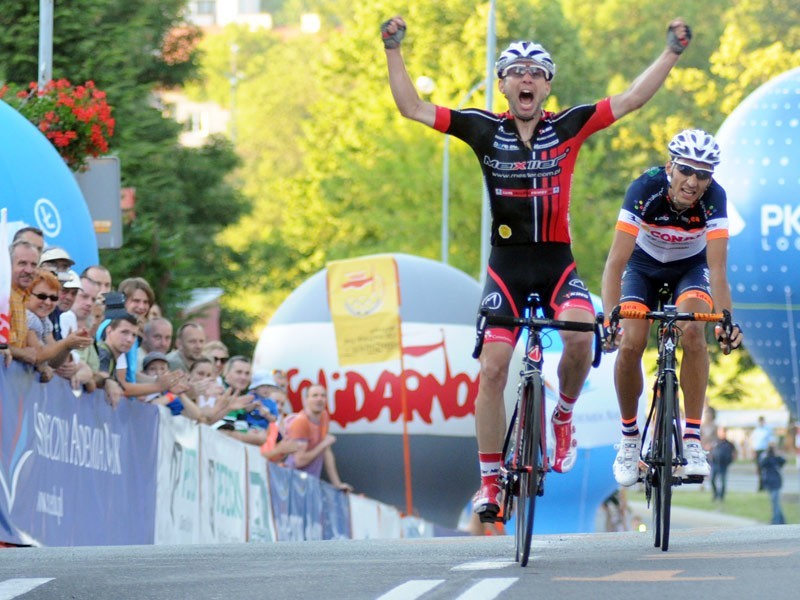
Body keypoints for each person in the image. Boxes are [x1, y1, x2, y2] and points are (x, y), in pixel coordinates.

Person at [381, 14, 695, 519]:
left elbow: (633, 97)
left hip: (556, 266)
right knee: (492, 370)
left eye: (536, 72)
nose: (526, 79)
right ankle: (489, 484)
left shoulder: (568, 125)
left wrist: (671, 53)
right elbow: (412, 107)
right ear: (502, 84)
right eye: (516, 71)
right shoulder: (483, 129)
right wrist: (393, 50)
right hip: (506, 269)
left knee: (577, 336)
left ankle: (563, 416)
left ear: (548, 86)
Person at [602, 129, 744, 487]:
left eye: (703, 174)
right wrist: (609, 315)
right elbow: (615, 263)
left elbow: (718, 272)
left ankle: (693, 439)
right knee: (632, 340)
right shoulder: (644, 189)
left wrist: (726, 322)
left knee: (694, 330)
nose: (694, 181)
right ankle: (630, 439)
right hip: (642, 267)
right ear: (670, 167)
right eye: (686, 170)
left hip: (689, 269)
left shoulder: (715, 199)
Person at [284, 384, 353, 491]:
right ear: (306, 400)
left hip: (311, 484)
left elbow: (327, 451)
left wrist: (337, 484)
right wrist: (323, 444)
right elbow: (299, 461)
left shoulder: (324, 416)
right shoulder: (301, 422)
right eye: (315, 395)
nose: (319, 399)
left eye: (323, 396)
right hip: (292, 482)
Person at [8, 239, 40, 365]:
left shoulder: (22, 298)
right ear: (8, 265)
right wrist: (23, 354)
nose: (29, 270)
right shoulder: (3, 296)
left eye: (33, 265)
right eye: (22, 263)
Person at [759, 442, 786, 525]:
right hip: (768, 482)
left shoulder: (777, 457)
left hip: (776, 482)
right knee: (774, 502)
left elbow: (783, 461)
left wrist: (778, 454)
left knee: (775, 502)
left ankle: (776, 521)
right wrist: (767, 455)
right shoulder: (765, 456)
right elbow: (762, 464)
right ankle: (782, 521)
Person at [710, 427, 737, 502]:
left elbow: (734, 453)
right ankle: (715, 494)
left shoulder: (729, 443)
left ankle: (721, 496)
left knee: (723, 481)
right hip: (715, 464)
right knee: (712, 480)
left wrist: (729, 461)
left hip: (723, 465)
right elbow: (711, 451)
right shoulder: (715, 442)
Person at [750, 415, 773, 491]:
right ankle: (761, 485)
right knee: (759, 469)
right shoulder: (756, 431)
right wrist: (753, 452)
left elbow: (771, 441)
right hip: (757, 451)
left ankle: (766, 484)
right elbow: (753, 442)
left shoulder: (767, 430)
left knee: (765, 468)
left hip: (764, 450)